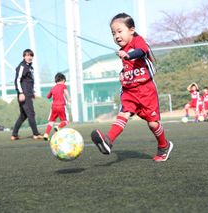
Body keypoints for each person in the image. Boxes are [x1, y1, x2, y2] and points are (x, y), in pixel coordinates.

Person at [90, 13, 173, 162]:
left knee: (153, 124)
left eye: (119, 31)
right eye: (113, 33)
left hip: (146, 90)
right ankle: (108, 141)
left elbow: (142, 51)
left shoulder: (137, 41)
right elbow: (131, 68)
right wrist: (123, 73)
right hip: (130, 91)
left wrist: (128, 55)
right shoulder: (123, 49)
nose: (116, 36)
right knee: (123, 114)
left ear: (132, 30)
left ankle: (164, 145)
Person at [11, 49, 43, 140]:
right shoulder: (22, 66)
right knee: (31, 113)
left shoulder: (30, 67)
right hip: (24, 94)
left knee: (23, 115)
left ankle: (14, 134)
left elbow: (28, 81)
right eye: (27, 55)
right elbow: (17, 80)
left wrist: (32, 92)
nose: (29, 57)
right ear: (24, 56)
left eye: (31, 55)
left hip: (28, 93)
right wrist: (20, 93)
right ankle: (36, 134)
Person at [43, 73, 71, 141]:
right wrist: (69, 99)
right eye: (64, 81)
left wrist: (52, 94)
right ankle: (58, 127)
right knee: (66, 121)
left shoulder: (53, 88)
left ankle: (46, 134)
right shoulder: (63, 86)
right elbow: (66, 92)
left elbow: (48, 96)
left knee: (51, 121)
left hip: (54, 107)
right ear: (63, 80)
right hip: (61, 106)